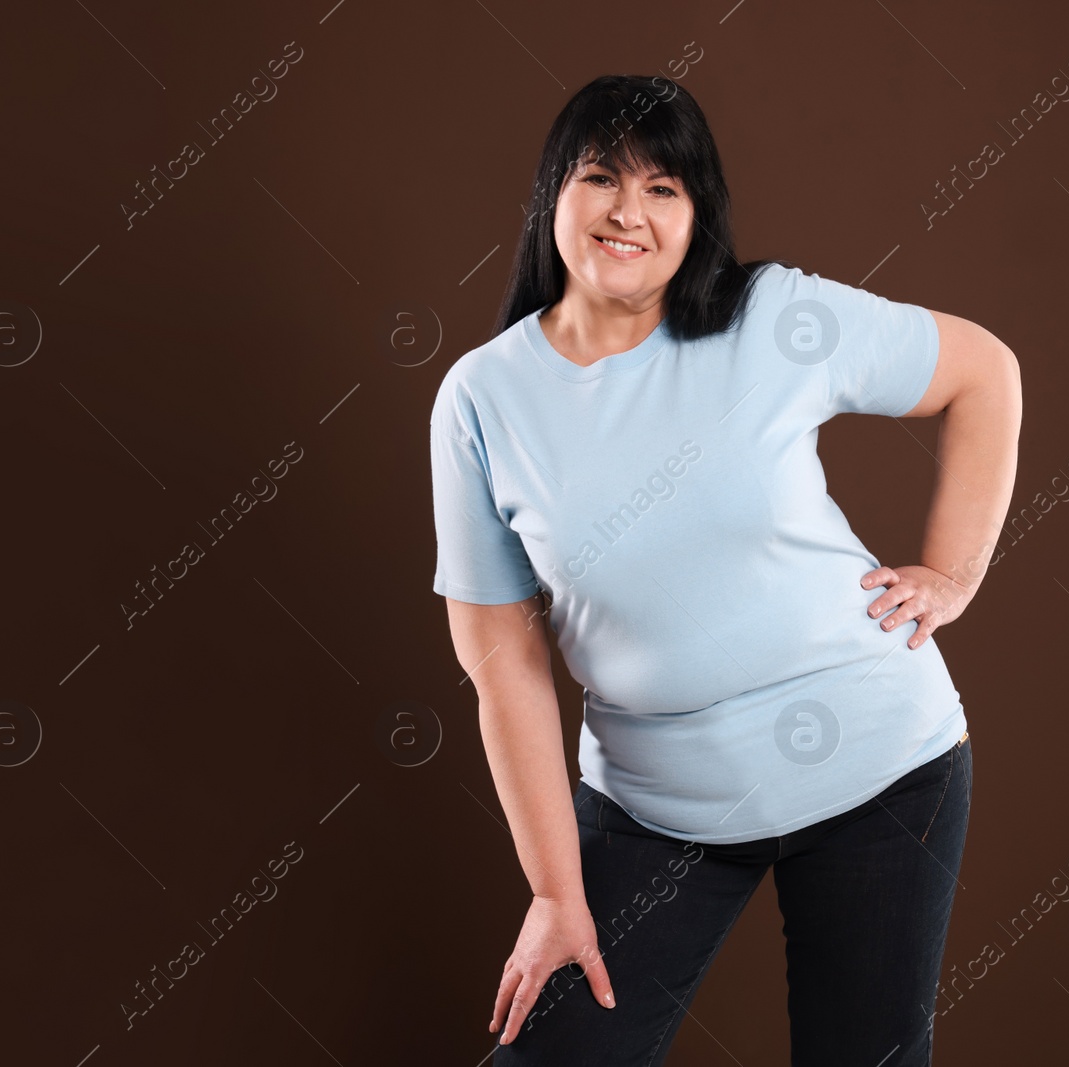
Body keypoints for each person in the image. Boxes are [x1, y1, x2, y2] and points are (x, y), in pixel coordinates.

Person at [429, 73, 1021, 1065]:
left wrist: (951, 575)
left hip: (880, 769)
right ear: (552, 196)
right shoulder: (482, 399)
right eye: (601, 178)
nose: (630, 211)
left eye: (665, 187)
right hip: (656, 808)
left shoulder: (770, 316)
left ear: (697, 212)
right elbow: (502, 661)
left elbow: (982, 371)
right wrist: (554, 889)